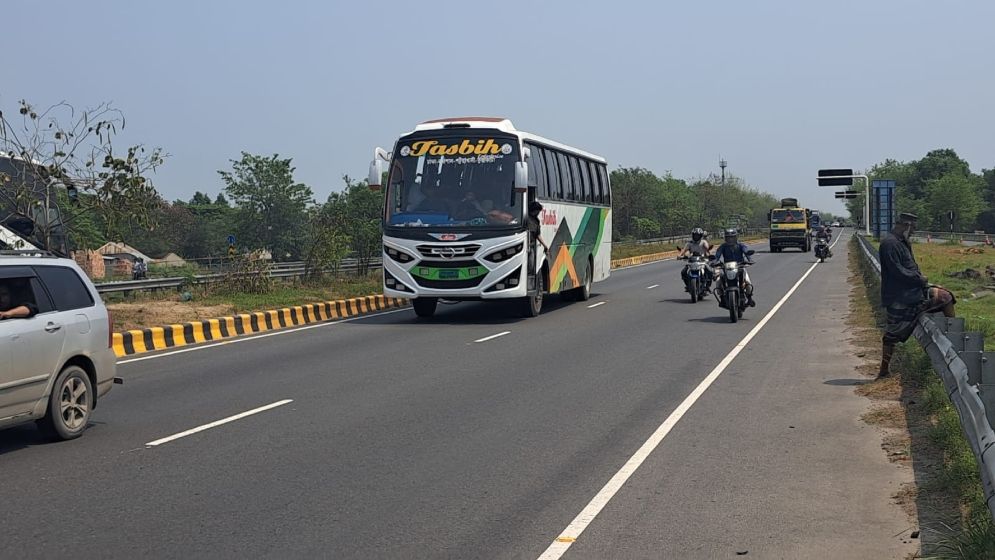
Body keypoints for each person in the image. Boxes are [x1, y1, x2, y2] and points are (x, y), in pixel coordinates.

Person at [877, 212, 956, 378]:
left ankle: (952, 337)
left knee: (946, 296)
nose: (913, 231)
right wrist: (919, 279)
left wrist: (923, 282)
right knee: (892, 333)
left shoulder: (900, 241)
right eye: (913, 228)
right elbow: (898, 271)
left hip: (912, 292)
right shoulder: (890, 244)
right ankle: (883, 370)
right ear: (906, 226)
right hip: (902, 296)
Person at [711, 228, 755, 306]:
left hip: (739, 267)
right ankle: (722, 298)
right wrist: (713, 262)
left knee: (748, 282)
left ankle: (749, 298)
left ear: (735, 237)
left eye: (732, 237)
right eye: (728, 238)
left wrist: (750, 260)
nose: (730, 239)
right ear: (725, 238)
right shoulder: (723, 247)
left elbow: (746, 252)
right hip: (727, 268)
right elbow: (717, 256)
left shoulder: (741, 245)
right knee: (718, 281)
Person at [678, 227, 713, 291]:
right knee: (683, 272)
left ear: (700, 236)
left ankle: (708, 286)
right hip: (692, 261)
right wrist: (680, 255)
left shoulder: (703, 242)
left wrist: (709, 254)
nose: (696, 237)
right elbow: (684, 250)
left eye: (698, 235)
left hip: (702, 261)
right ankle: (688, 286)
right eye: (695, 235)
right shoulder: (689, 243)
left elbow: (707, 248)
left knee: (710, 271)